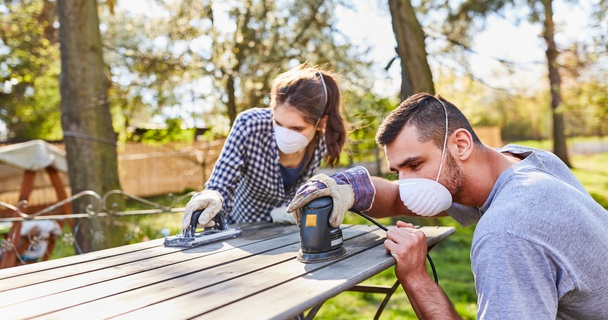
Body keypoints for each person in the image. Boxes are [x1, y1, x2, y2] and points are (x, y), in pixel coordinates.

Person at [287, 92, 608, 319]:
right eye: (398, 171)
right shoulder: (531, 162)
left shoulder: (506, 232)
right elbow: (400, 197)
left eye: (415, 165)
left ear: (461, 143)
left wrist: (416, 277)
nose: (407, 182)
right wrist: (355, 189)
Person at [182, 64, 347, 229]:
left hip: (286, 233)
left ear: (320, 123)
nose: (286, 134)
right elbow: (221, 183)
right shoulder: (250, 125)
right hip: (241, 231)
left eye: (297, 128)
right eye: (279, 123)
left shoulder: (321, 142)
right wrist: (212, 197)